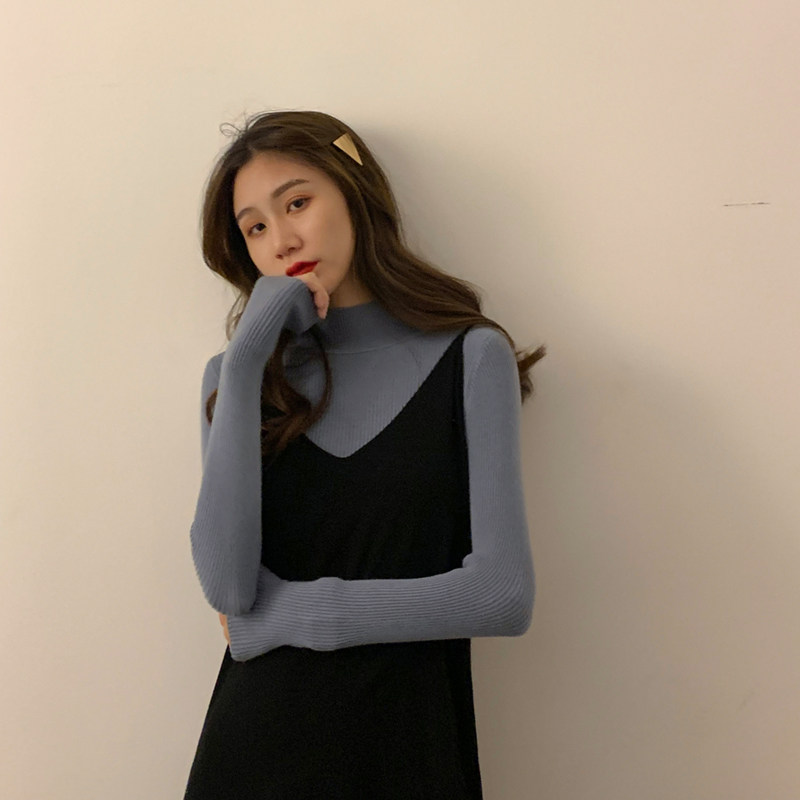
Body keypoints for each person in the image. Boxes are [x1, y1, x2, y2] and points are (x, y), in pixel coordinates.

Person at [183, 109, 545, 799]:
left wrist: (292, 615)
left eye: (297, 202)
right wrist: (247, 357)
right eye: (254, 227)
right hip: (253, 755)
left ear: (353, 192)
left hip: (409, 751)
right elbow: (228, 590)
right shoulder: (237, 378)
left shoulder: (471, 356)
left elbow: (502, 596)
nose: (282, 240)